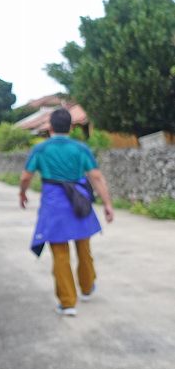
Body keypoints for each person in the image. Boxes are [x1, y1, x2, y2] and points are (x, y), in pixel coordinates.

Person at [19, 108, 114, 317]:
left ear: (50, 127)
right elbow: (96, 176)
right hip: (79, 202)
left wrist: (22, 194)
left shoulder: (41, 149)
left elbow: (26, 176)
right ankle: (87, 287)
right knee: (84, 247)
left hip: (54, 205)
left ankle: (68, 302)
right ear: (71, 127)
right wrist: (107, 203)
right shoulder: (81, 148)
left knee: (60, 255)